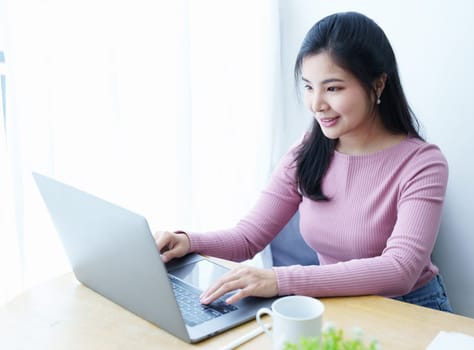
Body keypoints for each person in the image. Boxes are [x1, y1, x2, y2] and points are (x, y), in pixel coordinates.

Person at [155, 11, 452, 312]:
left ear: (377, 85)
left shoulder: (422, 164)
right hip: (338, 307)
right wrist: (187, 241)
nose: (316, 104)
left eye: (333, 88)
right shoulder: (309, 151)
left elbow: (401, 270)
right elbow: (247, 238)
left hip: (411, 309)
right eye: (309, 86)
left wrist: (280, 280)